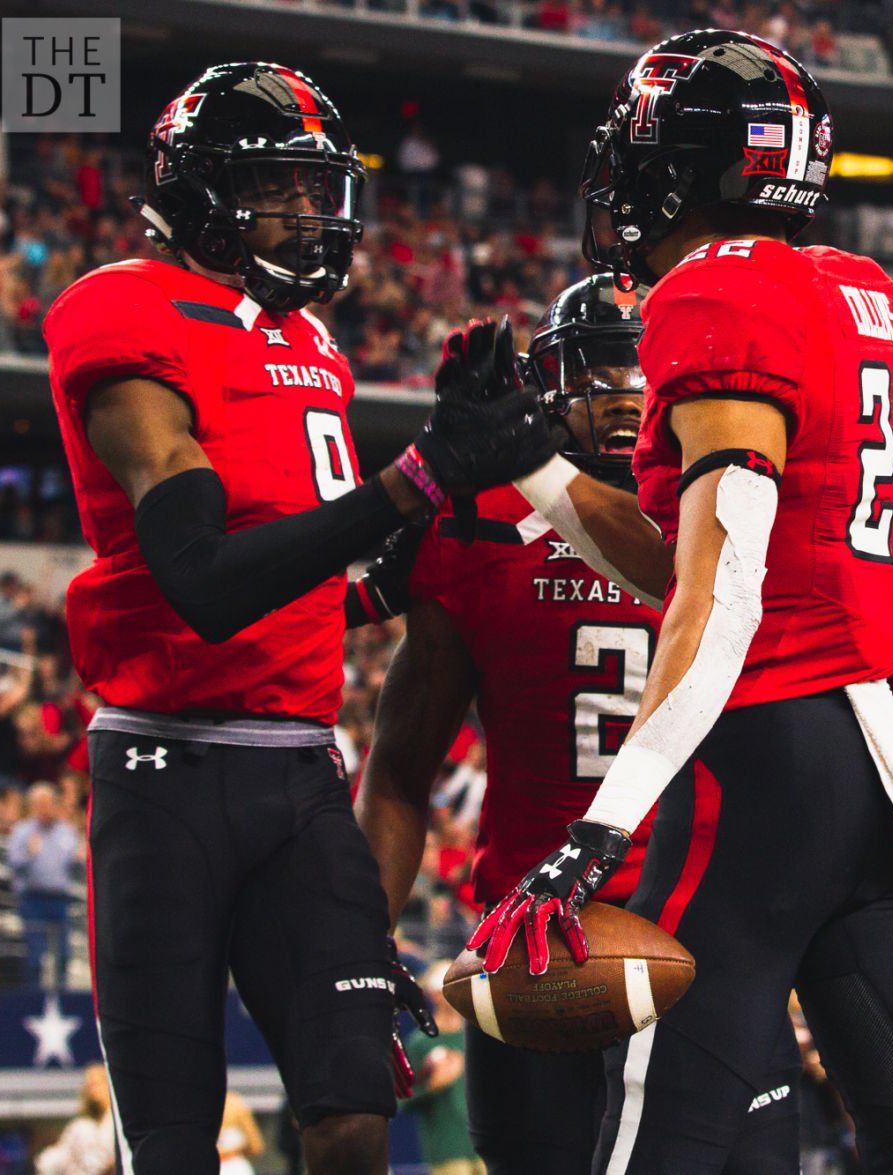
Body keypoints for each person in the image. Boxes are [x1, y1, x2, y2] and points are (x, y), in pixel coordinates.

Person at [464, 29, 893, 1174]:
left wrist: (602, 826)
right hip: (878, 760)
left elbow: (725, 585)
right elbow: (706, 555)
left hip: (765, 762)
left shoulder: (714, 289)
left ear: (688, 164)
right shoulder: (861, 289)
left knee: (665, 1128)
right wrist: (540, 472)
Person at [42, 61, 557, 1174]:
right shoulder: (120, 305)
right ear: (204, 190)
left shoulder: (311, 338)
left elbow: (313, 581)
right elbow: (207, 580)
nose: (311, 215)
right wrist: (416, 478)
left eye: (317, 190)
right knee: (173, 1139)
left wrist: (437, 506)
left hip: (300, 773)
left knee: (352, 1105)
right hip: (166, 773)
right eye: (283, 186)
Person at [356, 276, 793, 1171]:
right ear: (546, 383)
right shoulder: (477, 526)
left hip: (704, 934)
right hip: (536, 944)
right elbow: (400, 767)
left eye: (646, 368)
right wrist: (359, 946)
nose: (628, 392)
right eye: (598, 369)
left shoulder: (736, 517)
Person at [398, 962, 484, 1175]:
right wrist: (433, 1086)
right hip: (447, 1151)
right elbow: (403, 1099)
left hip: (485, 1147)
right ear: (434, 995)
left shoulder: (479, 1036)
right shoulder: (421, 1043)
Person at [9, 781, 82, 989]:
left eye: (48, 803)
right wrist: (29, 854)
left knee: (64, 953)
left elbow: (75, 865)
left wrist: (80, 858)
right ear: (32, 806)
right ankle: (33, 998)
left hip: (60, 899)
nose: (44, 809)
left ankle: (62, 997)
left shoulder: (66, 832)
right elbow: (13, 863)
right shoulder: (23, 831)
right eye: (39, 804)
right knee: (35, 954)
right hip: (33, 899)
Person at [36, 1062, 115, 1175]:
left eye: (97, 1083)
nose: (93, 1090)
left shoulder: (116, 1124)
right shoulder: (80, 1127)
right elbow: (51, 1162)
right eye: (89, 1085)